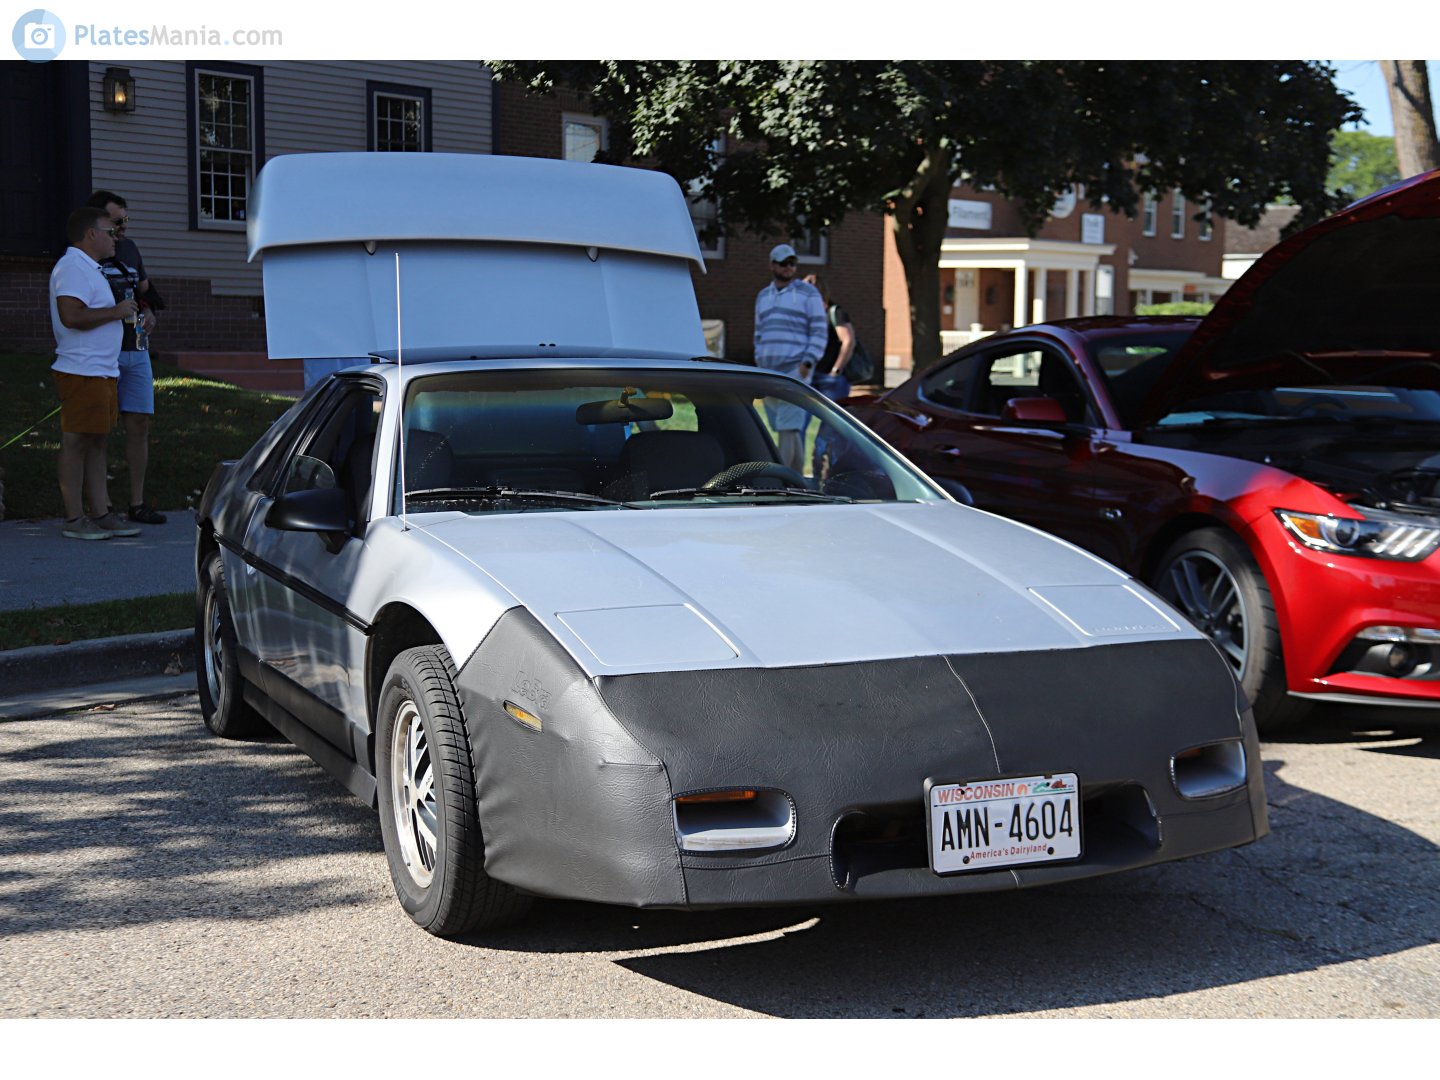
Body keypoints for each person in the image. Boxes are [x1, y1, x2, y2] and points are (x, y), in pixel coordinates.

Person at [49, 206, 142, 540]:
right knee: (76, 442)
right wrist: (115, 312)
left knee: (97, 441)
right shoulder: (73, 267)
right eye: (110, 232)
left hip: (100, 371)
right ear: (91, 234)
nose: (116, 237)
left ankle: (101, 513)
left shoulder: (91, 268)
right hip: (81, 370)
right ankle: (74, 519)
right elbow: (71, 316)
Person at [88, 189, 167, 524]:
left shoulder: (130, 248)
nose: (123, 227)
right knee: (99, 429)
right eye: (116, 221)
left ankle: (137, 503)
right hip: (102, 353)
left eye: (126, 220)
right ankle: (102, 507)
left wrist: (148, 311)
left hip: (136, 349)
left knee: (139, 424)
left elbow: (143, 291)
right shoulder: (84, 255)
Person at [753, 243, 827, 472]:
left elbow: (819, 329)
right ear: (772, 265)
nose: (788, 267)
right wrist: (759, 361)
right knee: (789, 429)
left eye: (792, 263)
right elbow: (758, 333)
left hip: (794, 370)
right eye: (783, 263)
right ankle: (796, 479)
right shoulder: (763, 296)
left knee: (787, 428)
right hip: (768, 372)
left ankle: (780, 479)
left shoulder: (808, 293)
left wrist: (807, 363)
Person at [802, 272, 856, 402]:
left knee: (830, 415)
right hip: (808, 375)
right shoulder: (806, 315)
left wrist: (835, 371)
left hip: (828, 377)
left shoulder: (834, 312)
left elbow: (848, 341)